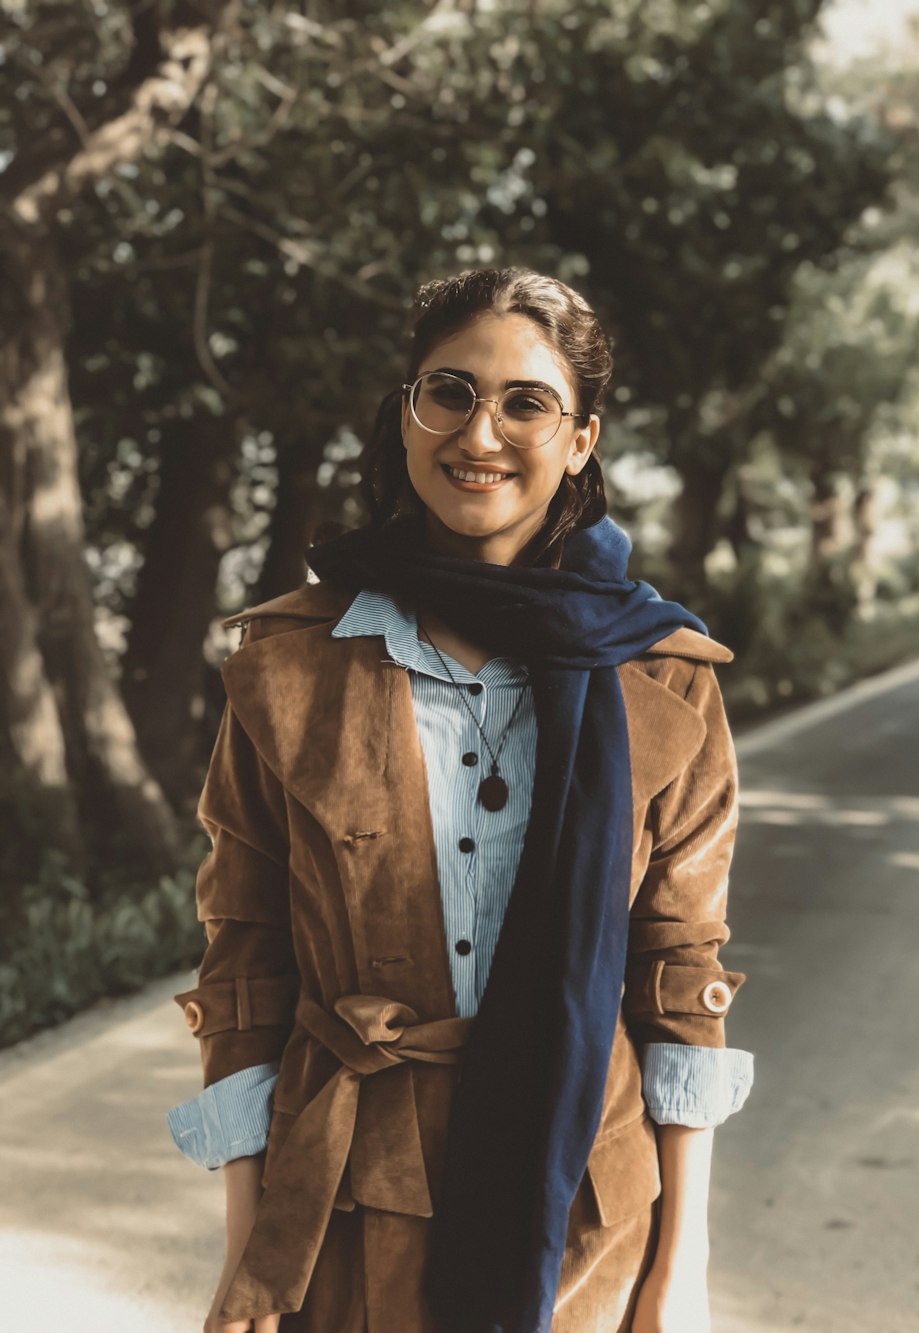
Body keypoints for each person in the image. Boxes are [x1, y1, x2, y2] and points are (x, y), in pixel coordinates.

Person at [166, 266, 754, 1333]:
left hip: (586, 1212)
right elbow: (244, 967)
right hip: (347, 1207)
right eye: (449, 392)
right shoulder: (288, 664)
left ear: (579, 439)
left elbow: (680, 979)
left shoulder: (663, 674)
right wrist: (251, 1251)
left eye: (526, 401)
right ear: (405, 416)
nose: (479, 432)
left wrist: (685, 1266)